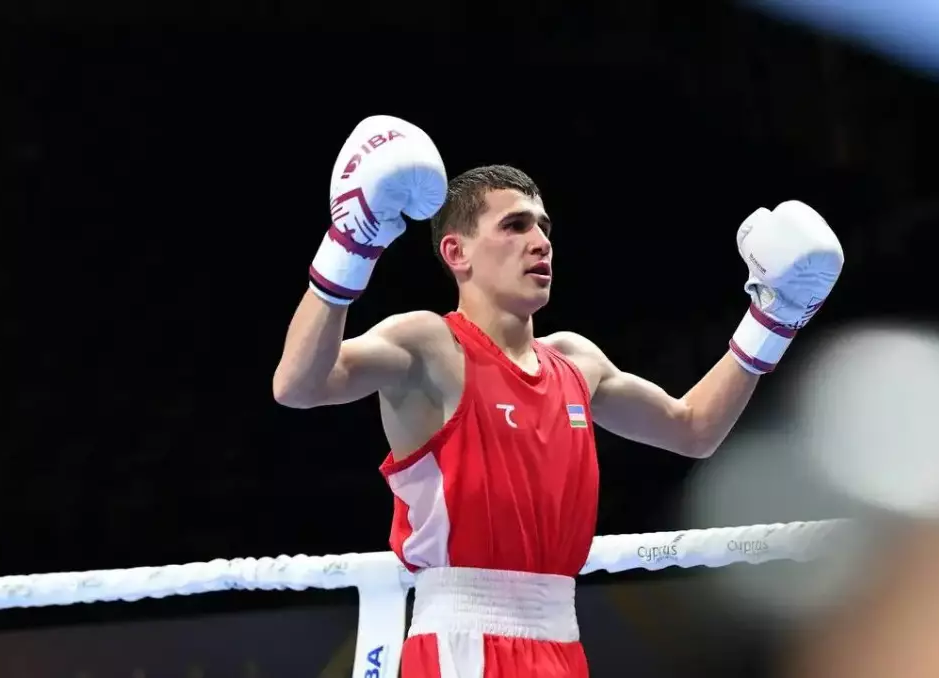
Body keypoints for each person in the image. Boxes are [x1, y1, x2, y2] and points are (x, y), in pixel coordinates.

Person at [272, 115, 844, 678]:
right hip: (460, 642)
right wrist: (351, 243)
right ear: (456, 253)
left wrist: (771, 321)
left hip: (560, 642)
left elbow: (693, 429)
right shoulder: (430, 346)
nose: (540, 242)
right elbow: (298, 386)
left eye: (543, 227)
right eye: (515, 226)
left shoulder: (575, 361)